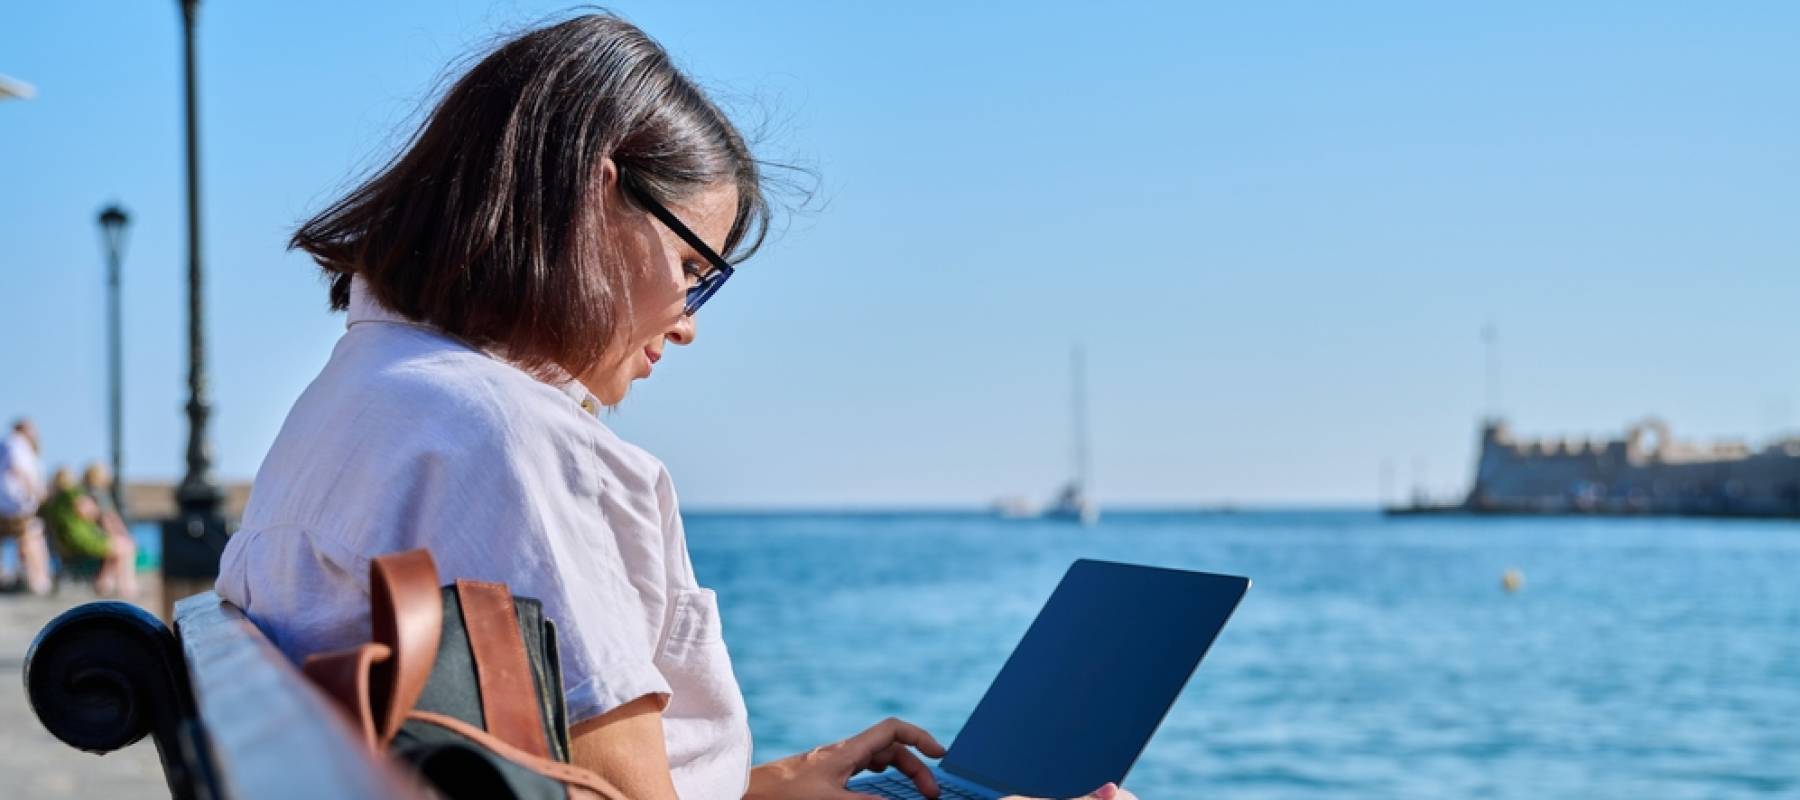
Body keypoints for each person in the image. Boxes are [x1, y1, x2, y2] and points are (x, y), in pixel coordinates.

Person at [215, 14, 1133, 800]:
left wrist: (770, 783)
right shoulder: (510, 445)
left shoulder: (353, 399)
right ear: (595, 192)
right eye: (694, 271)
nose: (687, 326)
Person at [0, 419, 51, 595]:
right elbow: (18, 468)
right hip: (16, 505)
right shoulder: (16, 443)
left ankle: (30, 579)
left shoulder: (7, 443)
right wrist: (34, 491)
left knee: (26, 538)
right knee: (32, 536)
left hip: (9, 505)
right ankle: (38, 582)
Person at [81, 462, 139, 598]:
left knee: (115, 555)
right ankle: (126, 586)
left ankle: (105, 583)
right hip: (99, 538)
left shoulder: (85, 493)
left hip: (94, 537)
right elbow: (108, 518)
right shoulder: (99, 494)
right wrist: (122, 534)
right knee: (126, 547)